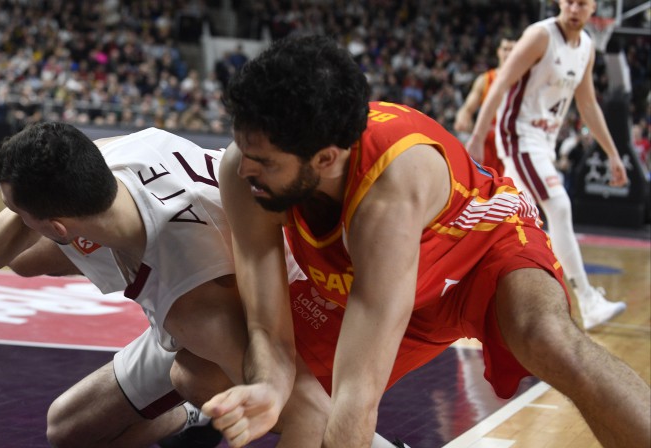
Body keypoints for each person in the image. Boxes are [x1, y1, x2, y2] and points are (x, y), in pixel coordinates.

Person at [201, 35, 650, 448]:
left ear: (325, 158)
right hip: (383, 280)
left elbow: (360, 393)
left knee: (548, 338)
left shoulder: (389, 186)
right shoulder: (244, 173)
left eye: (263, 162)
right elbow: (266, 330)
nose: (243, 171)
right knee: (201, 373)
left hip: (477, 251)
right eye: (244, 150)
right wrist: (269, 386)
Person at [0, 122, 399, 448]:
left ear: (60, 229)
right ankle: (191, 424)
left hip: (280, 312)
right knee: (67, 429)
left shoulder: (194, 307)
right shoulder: (114, 157)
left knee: (195, 374)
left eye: (18, 212)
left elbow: (307, 415)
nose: (9, 219)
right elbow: (17, 230)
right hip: (178, 264)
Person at [466, 0, 627, 330]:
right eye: (568, 1)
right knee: (560, 206)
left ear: (593, 7)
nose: (573, 9)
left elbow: (588, 104)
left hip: (544, 142)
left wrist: (613, 153)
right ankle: (587, 299)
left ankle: (467, 286)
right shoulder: (540, 35)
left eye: (581, 3)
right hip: (519, 136)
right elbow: (500, 84)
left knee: (510, 218)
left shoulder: (586, 48)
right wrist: (479, 135)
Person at [454, 36, 516, 176]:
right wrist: (462, 117)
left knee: (512, 192)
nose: (508, 53)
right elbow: (467, 109)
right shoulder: (485, 79)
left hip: (512, 144)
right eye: (505, 49)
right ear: (499, 52)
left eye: (512, 50)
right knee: (481, 188)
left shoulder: (526, 81)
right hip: (487, 142)